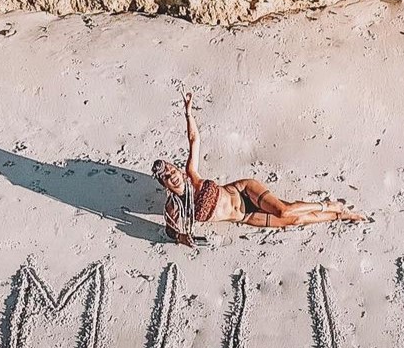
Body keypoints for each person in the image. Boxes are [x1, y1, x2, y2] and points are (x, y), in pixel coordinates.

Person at [152, 92, 368, 246]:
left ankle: (329, 205)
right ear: (166, 185)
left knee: (284, 210)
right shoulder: (175, 207)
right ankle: (340, 216)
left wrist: (188, 113)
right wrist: (182, 238)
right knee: (294, 220)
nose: (174, 176)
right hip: (244, 217)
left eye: (173, 171)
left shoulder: (192, 175)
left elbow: (194, 139)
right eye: (169, 177)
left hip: (244, 191)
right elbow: (171, 231)